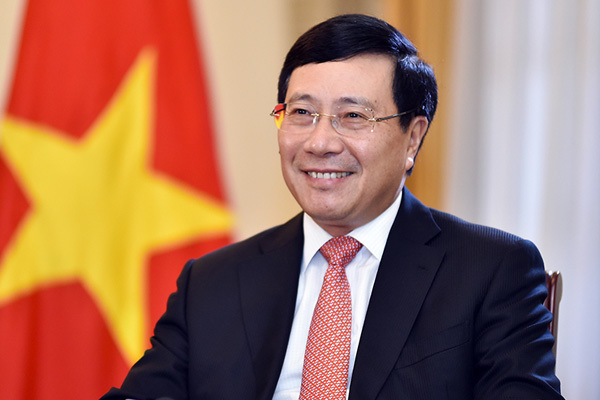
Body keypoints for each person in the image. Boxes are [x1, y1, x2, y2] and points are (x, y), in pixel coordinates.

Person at [101, 14, 563, 400]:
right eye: (301, 113)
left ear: (412, 138)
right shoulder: (212, 282)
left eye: (353, 116)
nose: (320, 143)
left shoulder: (489, 269)